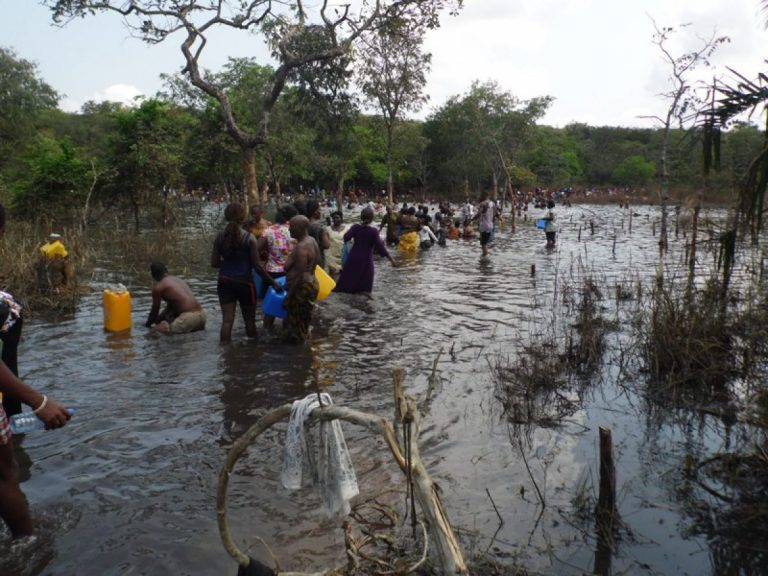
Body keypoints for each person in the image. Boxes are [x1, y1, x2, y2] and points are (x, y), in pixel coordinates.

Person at [0, 205, 72, 539]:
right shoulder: (7, 307)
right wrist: (39, 401)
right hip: (9, 388)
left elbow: (43, 267)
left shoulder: (45, 249)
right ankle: (28, 546)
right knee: (5, 477)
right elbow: (64, 269)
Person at [211, 203, 280, 343]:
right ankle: (252, 355)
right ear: (242, 218)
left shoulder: (219, 237)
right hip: (245, 283)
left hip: (224, 281)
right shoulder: (249, 238)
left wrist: (229, 264)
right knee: (249, 321)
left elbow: (214, 263)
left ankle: (226, 355)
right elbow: (257, 267)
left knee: (227, 321)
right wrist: (273, 283)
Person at [336, 207, 397, 294]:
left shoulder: (355, 227)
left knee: (347, 285)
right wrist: (392, 260)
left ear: (361, 217)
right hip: (366, 262)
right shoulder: (373, 231)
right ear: (372, 219)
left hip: (353, 259)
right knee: (364, 290)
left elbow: (346, 237)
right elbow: (381, 248)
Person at [256, 204, 297, 331]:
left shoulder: (268, 230)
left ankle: (267, 332)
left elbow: (256, 249)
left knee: (270, 307)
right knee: (290, 305)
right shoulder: (294, 230)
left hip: (271, 273)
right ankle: (286, 332)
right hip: (290, 272)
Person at [282, 216, 321, 343]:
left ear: (300, 228)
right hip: (312, 283)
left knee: (296, 325)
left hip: (301, 288)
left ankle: (298, 356)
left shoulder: (301, 248)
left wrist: (289, 296)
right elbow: (318, 263)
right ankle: (305, 350)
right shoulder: (312, 240)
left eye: (292, 227)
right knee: (303, 320)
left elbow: (299, 275)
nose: (289, 229)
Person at [145, 262, 206, 334]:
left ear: (153, 275)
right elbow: (169, 309)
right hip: (202, 317)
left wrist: (146, 326)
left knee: (153, 332)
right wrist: (158, 321)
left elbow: (154, 312)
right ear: (166, 270)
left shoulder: (159, 288)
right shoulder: (178, 280)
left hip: (189, 319)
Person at [472, 193, 501, 258]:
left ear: (483, 197)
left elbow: (479, 214)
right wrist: (501, 219)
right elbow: (496, 213)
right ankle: (485, 255)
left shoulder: (483, 204)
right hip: (491, 225)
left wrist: (471, 220)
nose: (479, 198)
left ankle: (485, 258)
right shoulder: (493, 203)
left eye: (480, 197)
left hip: (484, 226)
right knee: (484, 242)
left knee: (483, 244)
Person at [306, 199, 331, 270]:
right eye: (319, 210)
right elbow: (327, 245)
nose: (321, 212)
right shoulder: (319, 227)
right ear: (315, 212)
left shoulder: (303, 224)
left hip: (306, 258)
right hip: (318, 259)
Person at [326, 211, 348, 278]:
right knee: (332, 276)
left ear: (341, 219)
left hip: (343, 256)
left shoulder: (347, 229)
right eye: (334, 218)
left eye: (337, 217)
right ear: (332, 219)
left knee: (344, 276)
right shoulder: (328, 229)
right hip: (331, 257)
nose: (336, 219)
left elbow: (350, 242)